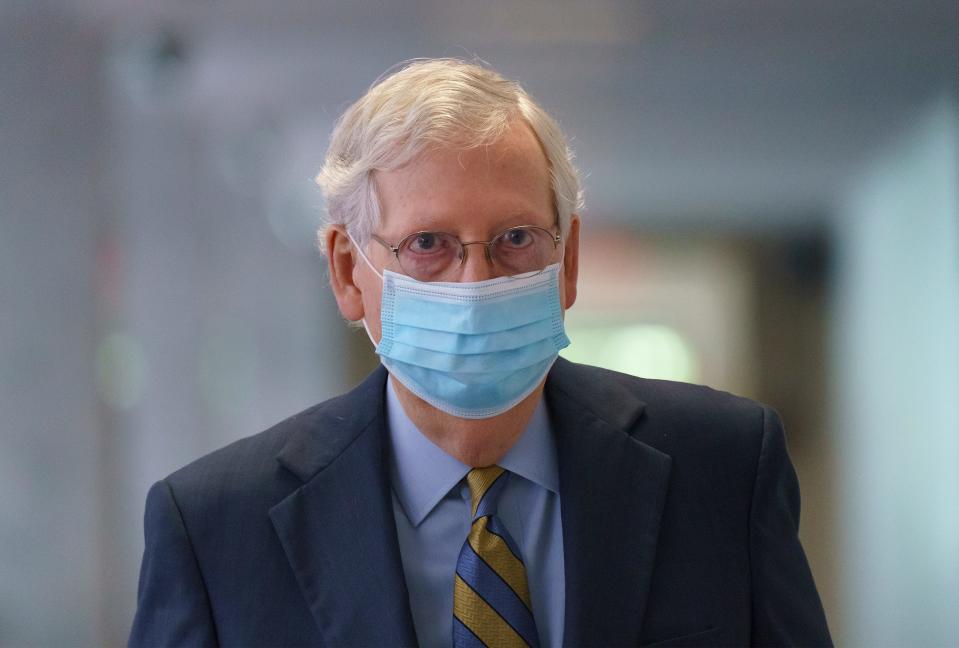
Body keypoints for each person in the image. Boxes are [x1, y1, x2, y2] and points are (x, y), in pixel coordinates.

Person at [129, 58, 832, 647]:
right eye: (428, 245)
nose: (476, 284)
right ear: (348, 273)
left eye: (516, 239)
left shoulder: (723, 468)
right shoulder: (218, 526)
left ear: (569, 260)